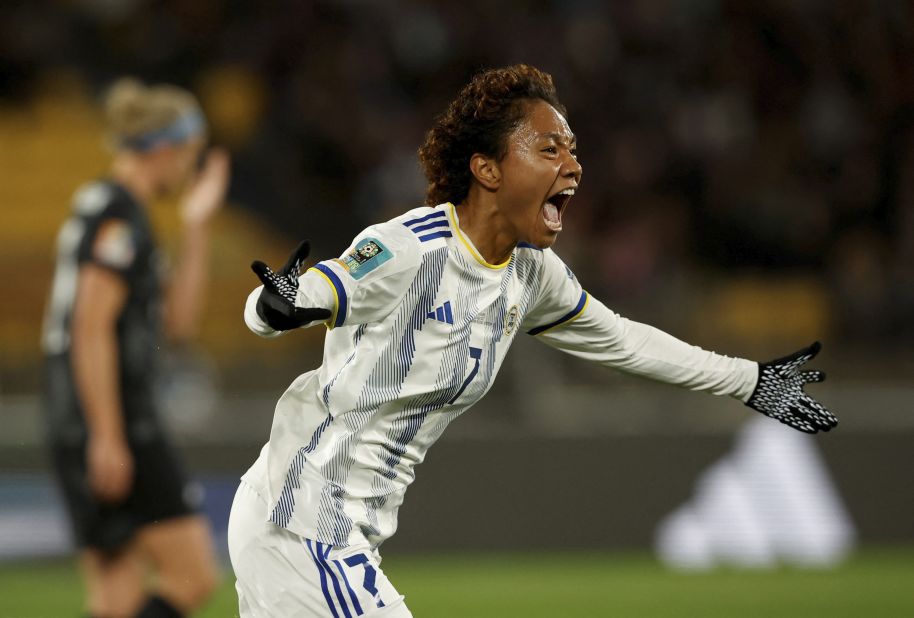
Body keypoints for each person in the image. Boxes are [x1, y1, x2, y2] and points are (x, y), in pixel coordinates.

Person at [228, 64, 837, 617]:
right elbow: (300, 296)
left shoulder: (529, 274)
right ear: (487, 168)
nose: (572, 165)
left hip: (333, 532)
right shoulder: (411, 248)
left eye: (573, 150)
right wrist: (275, 304)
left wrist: (749, 379)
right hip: (303, 525)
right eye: (549, 149)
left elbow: (623, 342)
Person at [42, 78, 227, 618]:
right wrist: (107, 434)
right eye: (191, 156)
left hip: (84, 414)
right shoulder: (118, 214)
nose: (191, 170)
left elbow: (178, 322)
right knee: (192, 576)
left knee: (116, 598)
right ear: (166, 148)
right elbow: (90, 326)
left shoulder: (112, 209)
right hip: (111, 415)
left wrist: (196, 227)